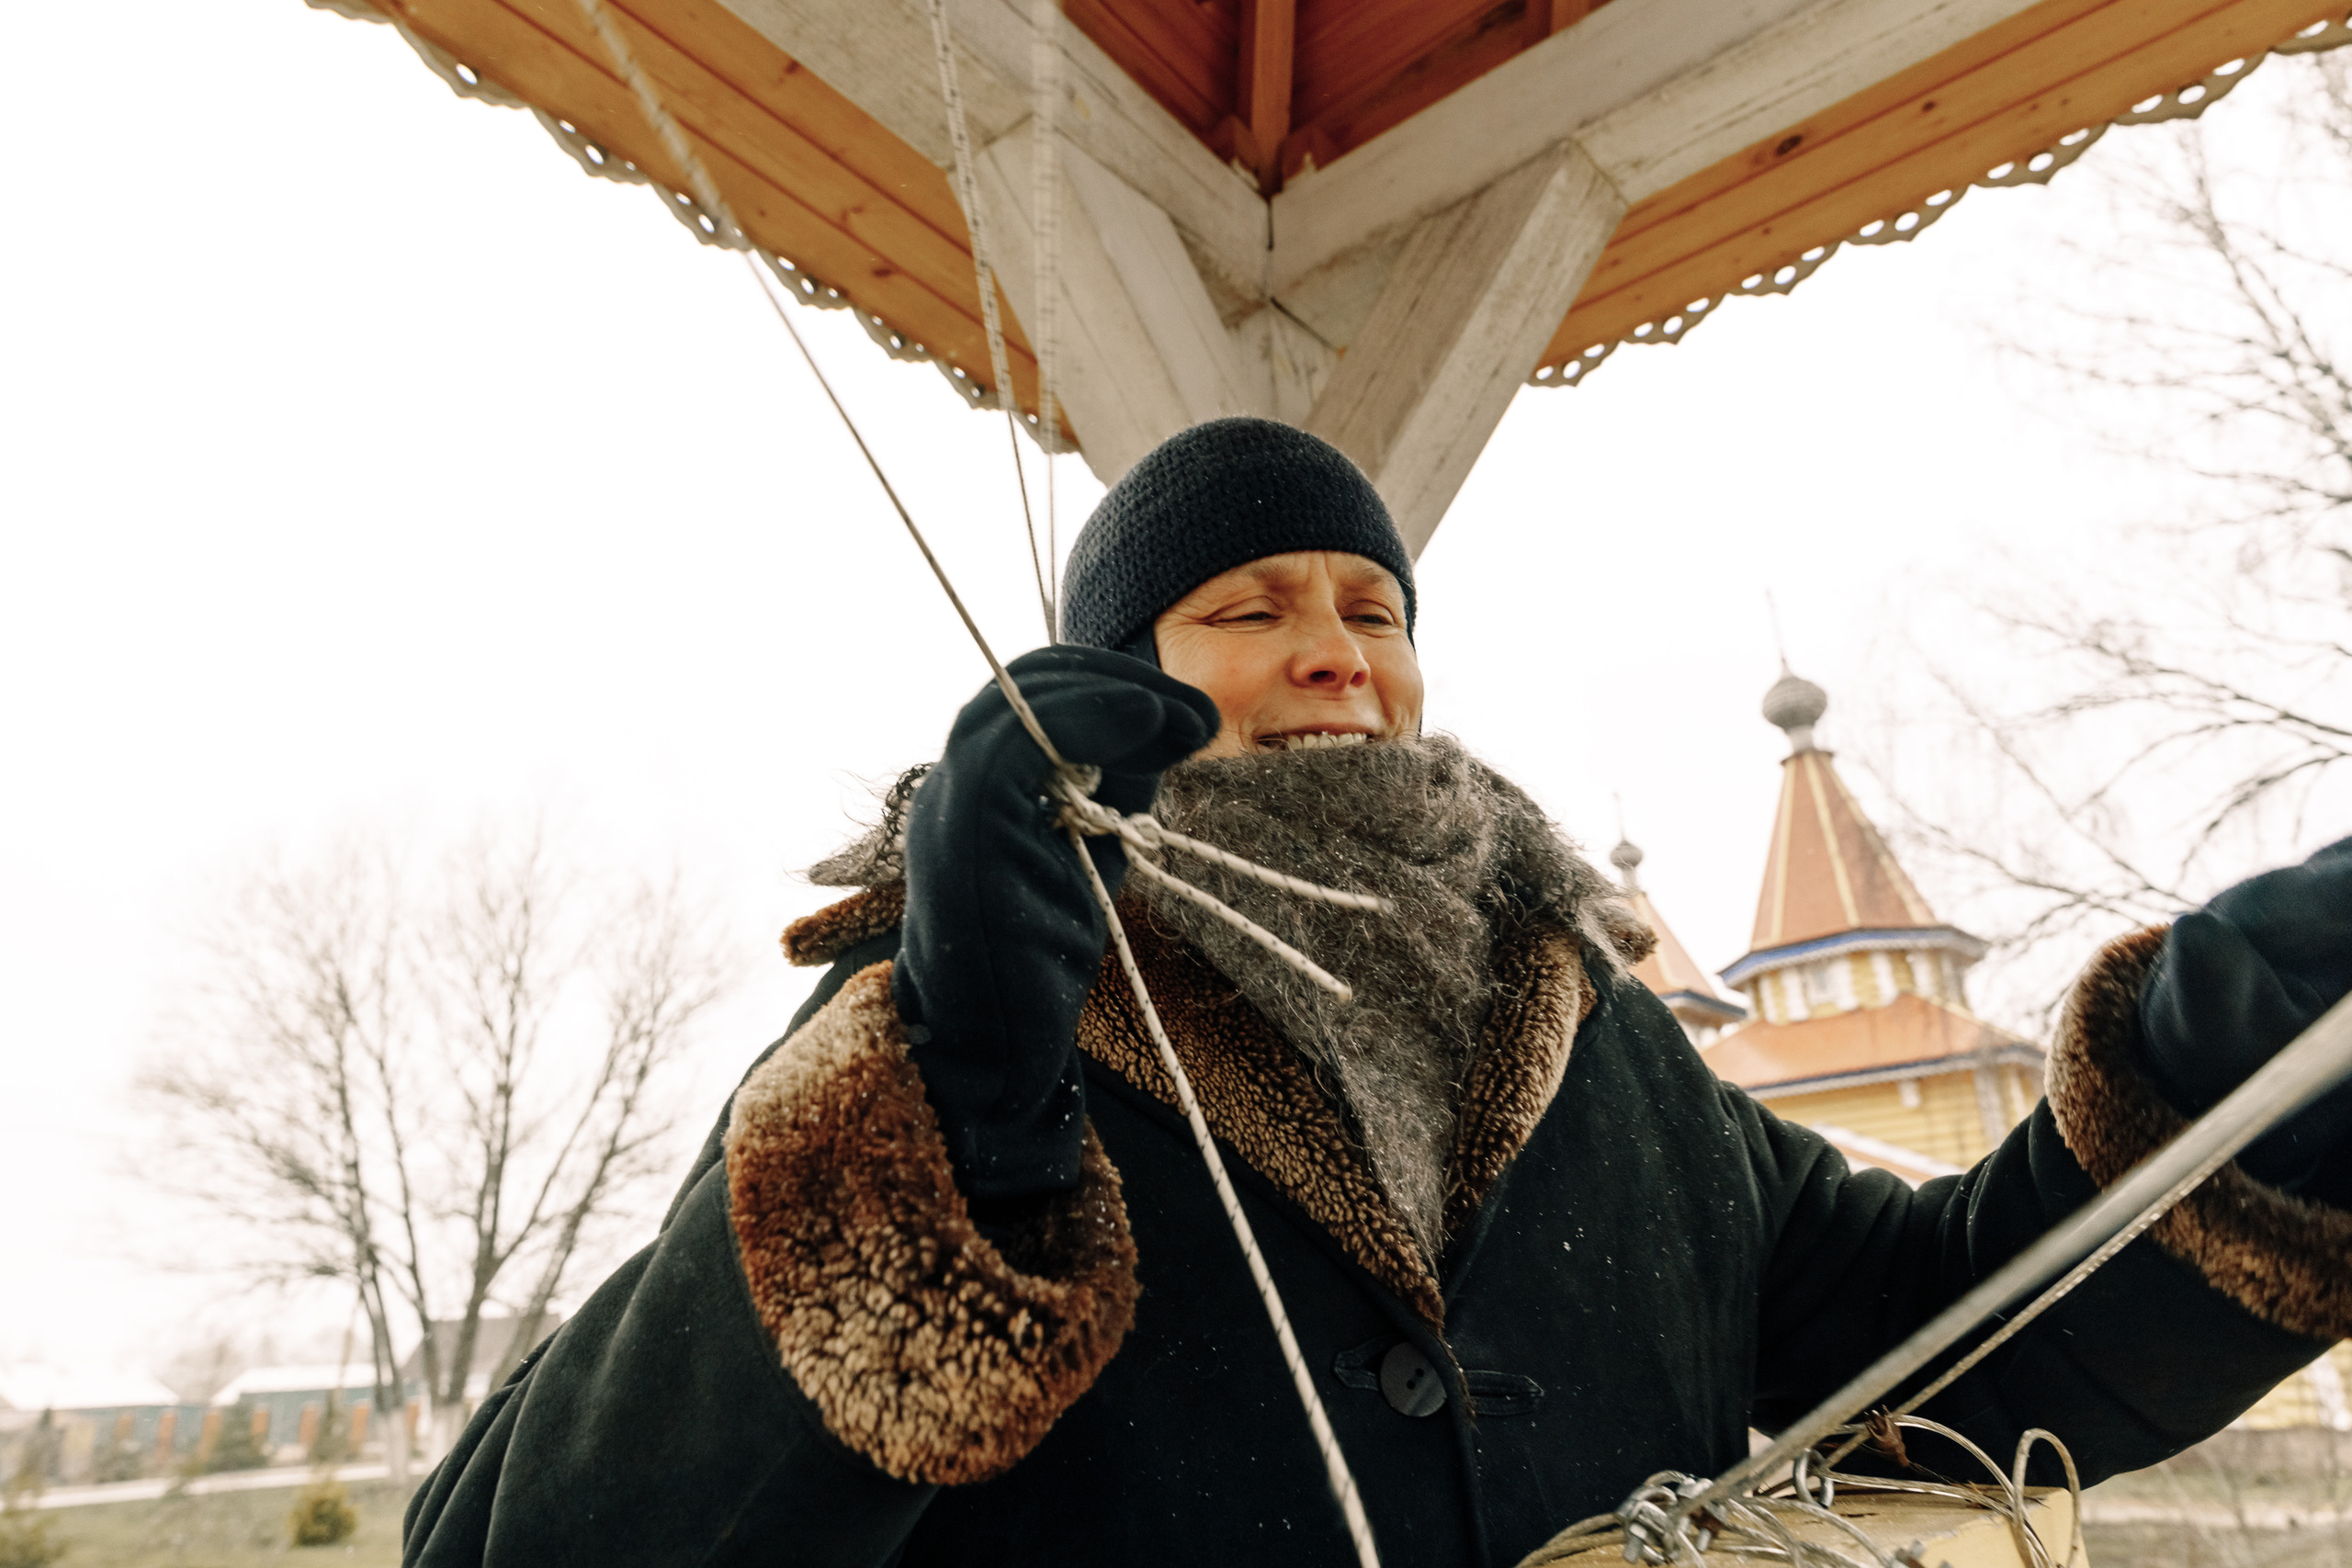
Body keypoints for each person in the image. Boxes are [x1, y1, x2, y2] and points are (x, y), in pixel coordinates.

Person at [401, 418, 2352, 1567]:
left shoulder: (1589, 1037)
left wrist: (2242, 1064)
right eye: (1243, 610)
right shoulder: (957, 1013)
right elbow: (512, 1542)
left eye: (1370, 608)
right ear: (1108, 685)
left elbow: (1937, 1357)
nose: (1331, 648)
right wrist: (963, 1104)